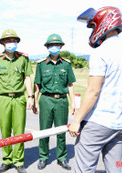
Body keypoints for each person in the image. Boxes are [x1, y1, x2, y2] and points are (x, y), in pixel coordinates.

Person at [69, 6, 122, 173]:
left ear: (103, 24)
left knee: (84, 169)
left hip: (99, 123)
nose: (92, 31)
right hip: (121, 125)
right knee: (115, 168)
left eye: (92, 26)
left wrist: (77, 121)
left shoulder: (101, 53)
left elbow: (93, 92)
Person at [0, 29, 33, 173]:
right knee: (5, 130)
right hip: (3, 99)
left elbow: (27, 78)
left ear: (17, 42)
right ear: (3, 43)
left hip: (19, 98)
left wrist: (30, 96)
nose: (11, 43)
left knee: (19, 131)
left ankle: (19, 161)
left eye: (14, 41)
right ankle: (6, 160)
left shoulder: (23, 59)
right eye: (8, 41)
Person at [33, 33, 76, 171]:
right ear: (47, 47)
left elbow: (70, 85)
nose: (54, 47)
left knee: (62, 130)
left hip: (62, 101)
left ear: (61, 46)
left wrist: (73, 103)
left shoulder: (66, 64)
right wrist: (34, 101)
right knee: (44, 131)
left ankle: (62, 158)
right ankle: (43, 157)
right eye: (51, 45)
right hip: (46, 99)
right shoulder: (41, 65)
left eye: (56, 45)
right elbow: (37, 86)